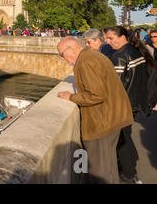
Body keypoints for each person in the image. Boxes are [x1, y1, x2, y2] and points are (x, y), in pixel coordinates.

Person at [56, 37, 134, 184]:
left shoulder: (86, 62)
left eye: (61, 54)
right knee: (109, 168)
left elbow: (96, 95)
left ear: (71, 49)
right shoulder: (93, 56)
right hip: (111, 119)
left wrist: (71, 97)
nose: (62, 59)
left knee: (99, 172)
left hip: (101, 124)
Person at [105, 26, 156, 184]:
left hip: (123, 104)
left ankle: (129, 174)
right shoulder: (136, 51)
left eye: (110, 38)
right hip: (136, 102)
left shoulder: (119, 56)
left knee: (121, 140)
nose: (107, 42)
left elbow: (115, 86)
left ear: (122, 37)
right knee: (126, 135)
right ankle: (132, 160)